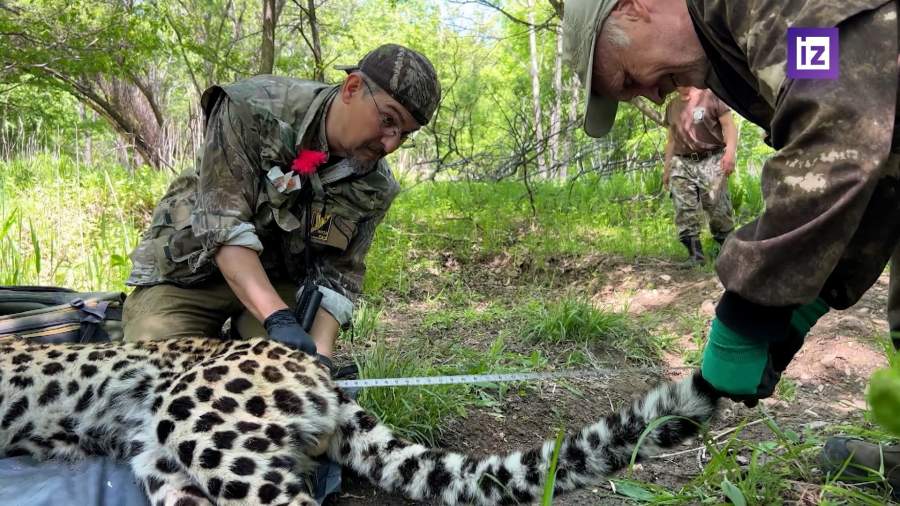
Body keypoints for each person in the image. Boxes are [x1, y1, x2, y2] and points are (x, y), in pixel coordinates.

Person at [562, 0, 899, 496]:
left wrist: (747, 309)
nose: (654, 99)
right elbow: (878, 165)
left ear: (634, 8)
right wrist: (800, 307)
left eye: (630, 80)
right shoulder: (726, 47)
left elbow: (838, 124)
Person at [123, 44, 441, 377]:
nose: (389, 144)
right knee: (156, 372)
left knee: (282, 381)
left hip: (278, 280)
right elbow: (222, 226)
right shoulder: (251, 107)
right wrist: (279, 319)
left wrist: (320, 362)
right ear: (352, 88)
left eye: (404, 134)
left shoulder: (375, 185)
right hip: (193, 271)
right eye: (387, 120)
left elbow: (338, 277)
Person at [663, 86, 737, 262]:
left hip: (711, 158)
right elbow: (672, 140)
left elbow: (729, 126)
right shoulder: (672, 106)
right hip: (682, 162)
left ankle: (727, 252)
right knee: (683, 208)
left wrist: (730, 153)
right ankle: (695, 255)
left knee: (718, 209)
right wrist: (667, 169)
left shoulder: (712, 97)